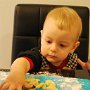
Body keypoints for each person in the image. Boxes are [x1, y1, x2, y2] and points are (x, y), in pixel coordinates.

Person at [0, 7, 90, 90]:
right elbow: (21, 62)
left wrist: (85, 68)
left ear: (73, 47)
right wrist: (17, 74)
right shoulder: (37, 56)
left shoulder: (73, 60)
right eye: (49, 41)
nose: (53, 49)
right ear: (42, 36)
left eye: (62, 45)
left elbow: (81, 77)